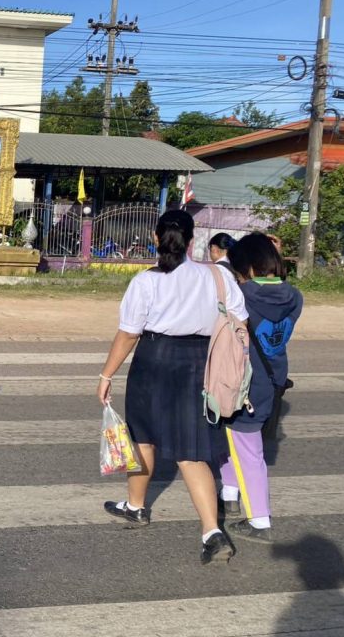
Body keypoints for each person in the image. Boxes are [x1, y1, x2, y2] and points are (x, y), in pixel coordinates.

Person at [97, 209, 248, 565]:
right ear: (193, 240)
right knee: (191, 449)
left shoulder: (146, 281)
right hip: (200, 362)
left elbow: (129, 333)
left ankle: (136, 506)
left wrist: (106, 375)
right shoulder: (217, 276)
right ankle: (212, 531)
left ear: (155, 238)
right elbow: (240, 320)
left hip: (154, 359)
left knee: (142, 437)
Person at [218, 233, 302, 544]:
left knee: (248, 450)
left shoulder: (241, 296)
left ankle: (259, 520)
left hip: (242, 381)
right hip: (272, 378)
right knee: (234, 438)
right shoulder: (294, 297)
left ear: (247, 268)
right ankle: (229, 493)